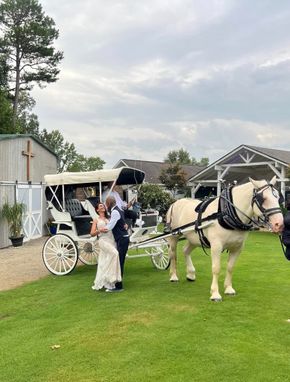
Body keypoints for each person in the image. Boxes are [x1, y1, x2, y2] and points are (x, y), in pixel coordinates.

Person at [99, 195, 130, 292]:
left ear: (108, 204)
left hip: (122, 239)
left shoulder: (115, 211)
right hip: (122, 238)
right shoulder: (118, 209)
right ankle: (116, 282)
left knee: (119, 262)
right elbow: (122, 223)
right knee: (119, 261)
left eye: (106, 204)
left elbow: (110, 226)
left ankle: (119, 286)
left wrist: (100, 230)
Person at [90, 202, 122, 290]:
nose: (103, 207)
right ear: (97, 209)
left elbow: (115, 226)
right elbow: (92, 233)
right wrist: (99, 230)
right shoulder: (96, 219)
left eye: (103, 205)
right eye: (100, 206)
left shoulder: (109, 218)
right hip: (103, 240)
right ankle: (110, 277)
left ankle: (107, 281)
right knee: (115, 253)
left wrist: (124, 226)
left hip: (111, 240)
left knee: (105, 260)